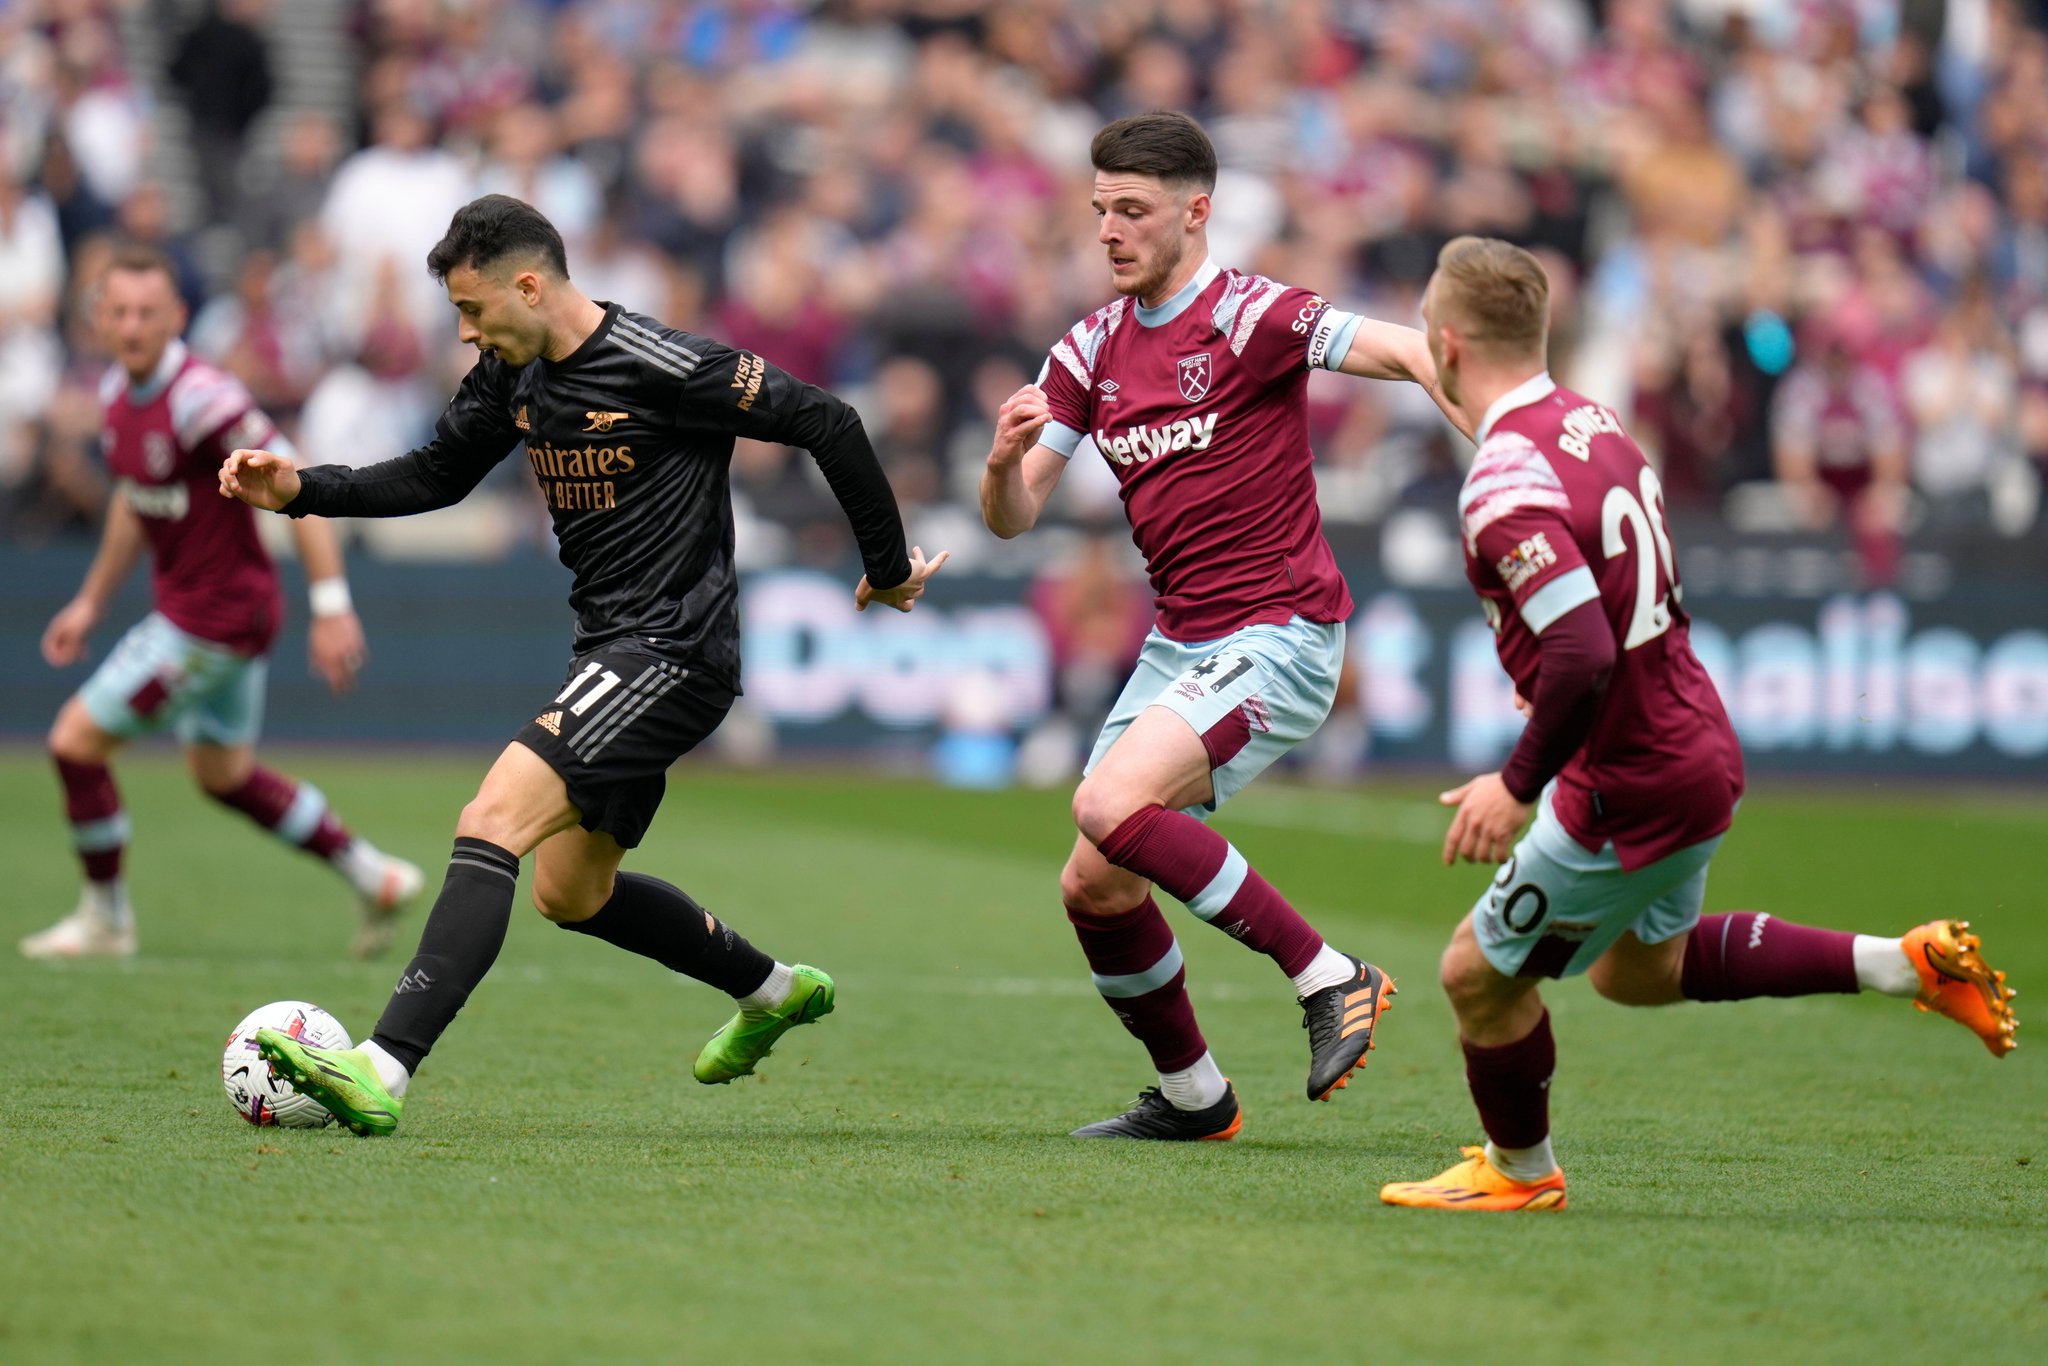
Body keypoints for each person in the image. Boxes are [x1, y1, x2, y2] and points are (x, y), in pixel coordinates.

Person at [219, 195, 945, 1136]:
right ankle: (773, 992)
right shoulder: (510, 373)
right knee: (572, 893)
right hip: (611, 646)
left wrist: (885, 569)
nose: (465, 331)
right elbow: (436, 473)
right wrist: (300, 490)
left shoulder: (664, 363)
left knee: (491, 819)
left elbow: (829, 420)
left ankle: (381, 1066)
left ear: (529, 286)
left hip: (677, 648)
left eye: (473, 308)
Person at [1379, 237, 2018, 1212]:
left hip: (1626, 774)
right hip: (1694, 744)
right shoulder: (1593, 422)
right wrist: (1542, 667)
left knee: (1474, 973)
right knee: (1639, 972)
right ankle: (1904, 964)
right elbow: (1609, 605)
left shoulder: (1502, 480)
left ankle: (1519, 1171)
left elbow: (1583, 650)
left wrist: (1513, 785)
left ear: (1449, 343)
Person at [980, 112, 1471, 1141]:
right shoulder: (1089, 349)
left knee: (1106, 801)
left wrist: (1492, 414)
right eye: (1100, 210)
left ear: (1195, 212)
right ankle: (1196, 1097)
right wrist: (999, 463)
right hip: (1182, 644)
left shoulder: (1251, 315)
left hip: (1280, 632)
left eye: (1132, 210)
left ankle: (1328, 974)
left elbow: (1394, 348)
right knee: (1094, 881)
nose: (1108, 231)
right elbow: (1014, 517)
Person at [24, 246, 421, 962]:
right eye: (120, 312)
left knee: (74, 743)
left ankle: (106, 921)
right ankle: (374, 874)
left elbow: (297, 480)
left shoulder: (202, 400)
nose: (133, 326)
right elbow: (134, 500)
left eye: (148, 312)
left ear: (177, 316)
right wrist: (89, 602)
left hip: (211, 622)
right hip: (218, 616)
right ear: (100, 318)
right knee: (224, 776)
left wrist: (332, 606)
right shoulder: (116, 393)